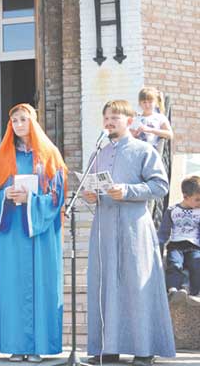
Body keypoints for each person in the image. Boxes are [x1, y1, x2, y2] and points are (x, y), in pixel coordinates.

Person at [82, 100, 175, 366]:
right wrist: (90, 195)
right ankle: (107, 349)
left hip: (135, 227)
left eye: (116, 117)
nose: (110, 122)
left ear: (130, 120)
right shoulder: (98, 152)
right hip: (104, 228)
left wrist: (127, 191)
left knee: (136, 285)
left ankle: (144, 349)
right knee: (105, 284)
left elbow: (160, 186)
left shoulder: (143, 150)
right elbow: (93, 186)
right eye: (107, 118)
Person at [0, 103, 67, 363]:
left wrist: (33, 199)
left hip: (39, 234)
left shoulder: (49, 155)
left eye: (23, 119)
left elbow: (57, 197)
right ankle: (15, 344)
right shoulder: (4, 156)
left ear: (33, 122)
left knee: (40, 285)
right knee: (12, 286)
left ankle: (38, 346)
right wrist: (5, 196)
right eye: (14, 121)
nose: (19, 124)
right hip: (12, 233)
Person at [158, 175, 200, 303]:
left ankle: (192, 291)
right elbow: (163, 233)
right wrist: (157, 248)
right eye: (197, 200)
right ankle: (173, 291)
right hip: (176, 245)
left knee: (196, 264)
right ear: (185, 197)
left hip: (194, 247)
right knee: (175, 264)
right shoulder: (172, 211)